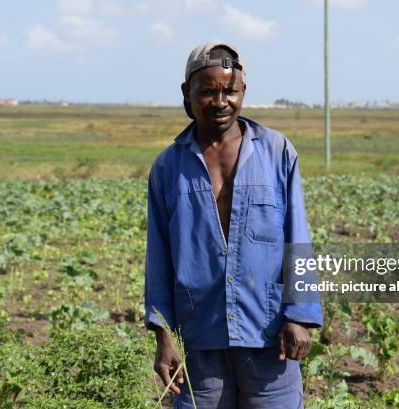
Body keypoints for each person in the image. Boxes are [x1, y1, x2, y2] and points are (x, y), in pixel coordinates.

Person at [144, 42, 323, 409]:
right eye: (208, 91)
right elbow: (158, 256)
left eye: (230, 90)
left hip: (269, 333)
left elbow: (297, 236)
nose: (221, 100)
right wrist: (163, 336)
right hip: (201, 337)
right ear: (187, 93)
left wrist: (300, 315)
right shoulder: (168, 167)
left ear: (243, 92)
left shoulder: (276, 151)